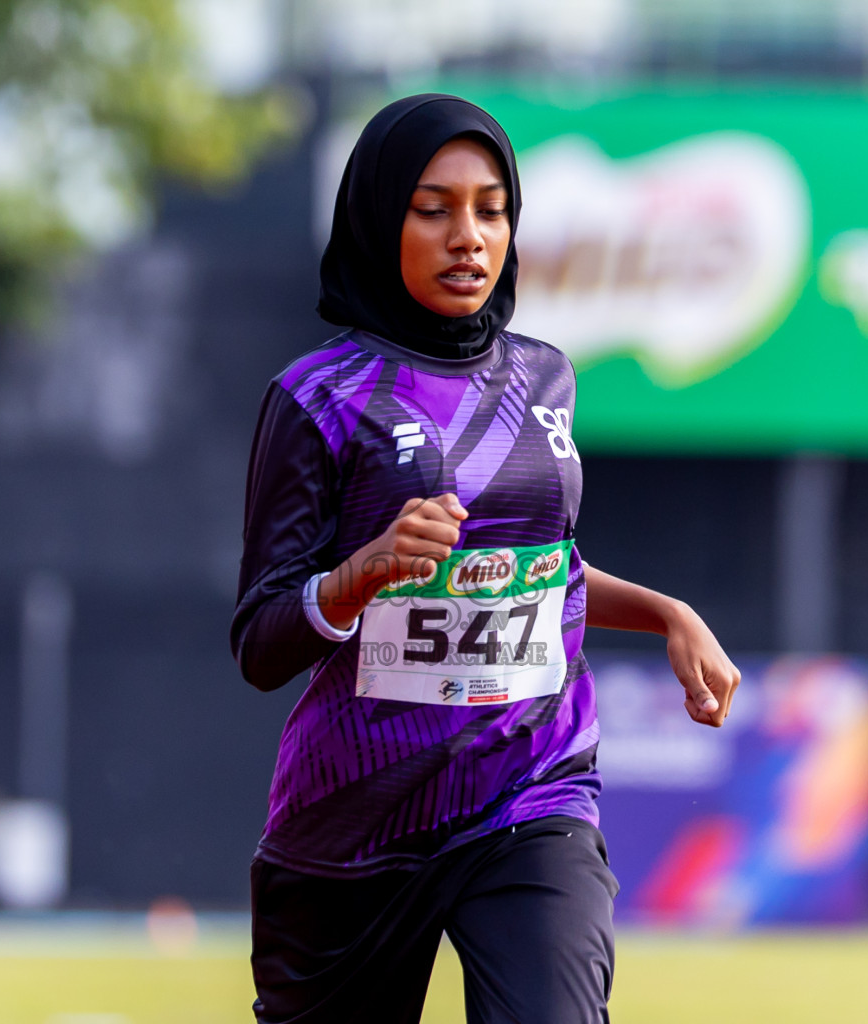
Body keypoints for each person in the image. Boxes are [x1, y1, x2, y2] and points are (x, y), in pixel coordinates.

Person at [230, 94, 741, 1024]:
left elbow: (534, 570)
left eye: (491, 208)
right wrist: (364, 572)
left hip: (530, 788)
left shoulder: (547, 376)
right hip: (357, 820)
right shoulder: (318, 399)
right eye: (434, 208)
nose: (468, 235)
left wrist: (670, 612)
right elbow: (260, 644)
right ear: (381, 218)